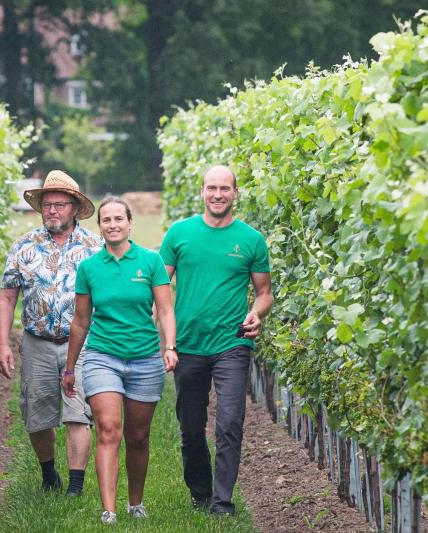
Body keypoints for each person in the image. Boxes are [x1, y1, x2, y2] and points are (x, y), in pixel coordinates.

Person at [159, 164, 274, 516]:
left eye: (225, 188)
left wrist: (257, 312)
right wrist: (166, 340)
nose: (218, 194)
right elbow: (161, 290)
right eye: (212, 188)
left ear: (235, 193)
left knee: (228, 423)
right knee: (191, 428)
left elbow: (264, 292)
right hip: (189, 345)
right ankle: (200, 491)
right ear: (202, 192)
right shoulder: (179, 235)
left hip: (232, 344)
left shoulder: (251, 239)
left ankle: (223, 501)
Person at [61, 197, 178, 525]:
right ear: (100, 227)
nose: (112, 225)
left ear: (129, 223)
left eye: (118, 219)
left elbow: (166, 310)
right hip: (102, 357)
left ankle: (135, 503)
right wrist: (71, 367)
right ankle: (109, 510)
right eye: (106, 220)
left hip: (144, 359)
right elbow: (81, 321)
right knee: (109, 428)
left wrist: (169, 346)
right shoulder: (89, 268)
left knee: (138, 436)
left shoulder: (150, 262)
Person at [0, 170, 103, 496]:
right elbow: (6, 295)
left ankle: (75, 485)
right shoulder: (24, 246)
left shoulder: (94, 247)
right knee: (37, 413)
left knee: (78, 411)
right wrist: (2, 344)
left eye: (60, 204)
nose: (52, 210)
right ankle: (48, 474)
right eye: (47, 205)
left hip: (82, 342)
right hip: (37, 341)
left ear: (74, 208)